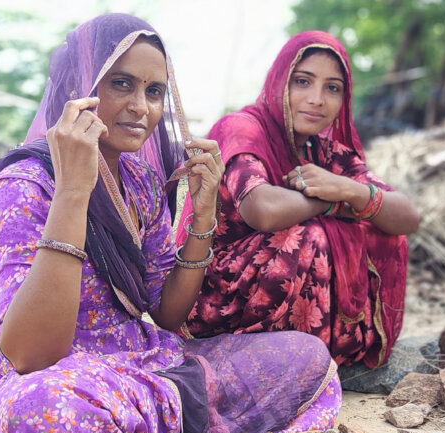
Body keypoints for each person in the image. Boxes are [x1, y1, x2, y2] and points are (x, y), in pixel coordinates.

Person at [0, 14, 341, 433]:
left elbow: (168, 314)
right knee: (44, 414)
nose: (142, 106)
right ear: (77, 88)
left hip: (138, 363)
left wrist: (203, 215)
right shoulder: (23, 186)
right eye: (121, 84)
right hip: (52, 378)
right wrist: (73, 191)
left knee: (304, 354)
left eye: (154, 91)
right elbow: (30, 355)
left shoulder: (139, 181)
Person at [180, 31, 420, 370]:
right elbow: (261, 209)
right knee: (310, 236)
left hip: (279, 294)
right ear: (279, 81)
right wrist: (330, 203)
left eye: (332, 88)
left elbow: (408, 217)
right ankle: (274, 360)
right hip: (217, 296)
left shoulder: (326, 153)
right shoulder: (242, 129)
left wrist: (349, 189)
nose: (317, 99)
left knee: (381, 231)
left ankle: (325, 353)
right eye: (303, 81)